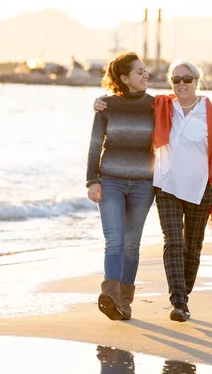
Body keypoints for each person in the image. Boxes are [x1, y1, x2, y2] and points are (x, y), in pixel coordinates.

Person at [93, 58, 212, 322]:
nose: (181, 84)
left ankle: (183, 295)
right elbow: (129, 101)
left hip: (200, 189)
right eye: (176, 80)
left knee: (192, 247)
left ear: (197, 81)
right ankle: (178, 302)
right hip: (166, 186)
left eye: (187, 79)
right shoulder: (162, 105)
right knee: (173, 242)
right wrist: (102, 102)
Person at [86, 52, 155, 321]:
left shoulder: (156, 105)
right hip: (111, 181)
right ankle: (110, 296)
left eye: (145, 70)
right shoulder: (106, 106)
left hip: (143, 184)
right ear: (124, 78)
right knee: (114, 240)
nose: (145, 75)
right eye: (139, 72)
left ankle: (124, 303)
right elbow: (94, 144)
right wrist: (92, 180)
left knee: (132, 244)